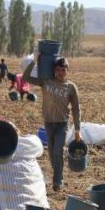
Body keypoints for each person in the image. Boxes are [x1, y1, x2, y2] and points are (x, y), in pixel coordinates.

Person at [23, 55, 81, 192]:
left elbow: (76, 109)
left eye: (63, 70)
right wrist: (34, 61)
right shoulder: (46, 82)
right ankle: (59, 176)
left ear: (67, 71)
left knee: (58, 151)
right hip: (48, 123)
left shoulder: (71, 87)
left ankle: (57, 183)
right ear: (54, 70)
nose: (61, 73)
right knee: (51, 155)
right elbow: (25, 77)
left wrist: (78, 129)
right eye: (58, 70)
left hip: (62, 124)